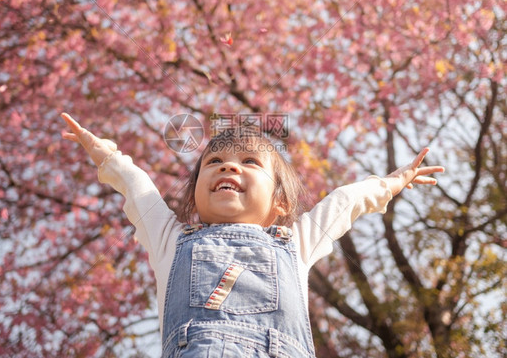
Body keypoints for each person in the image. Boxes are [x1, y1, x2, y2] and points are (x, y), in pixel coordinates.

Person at [61, 112, 444, 358]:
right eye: (214, 162)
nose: (228, 166)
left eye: (249, 162)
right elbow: (136, 186)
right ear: (194, 197)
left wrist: (391, 183)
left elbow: (345, 202)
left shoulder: (296, 242)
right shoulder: (171, 240)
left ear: (279, 202)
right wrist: (106, 155)